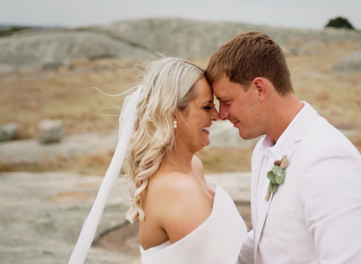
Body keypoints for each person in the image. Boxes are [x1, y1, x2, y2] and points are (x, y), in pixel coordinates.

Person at [205, 31, 361, 264]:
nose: (222, 114)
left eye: (227, 101)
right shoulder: (262, 151)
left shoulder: (330, 160)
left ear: (259, 89)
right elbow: (271, 238)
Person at [68, 57, 247, 264]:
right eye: (207, 107)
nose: (216, 115)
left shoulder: (193, 168)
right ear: (173, 113)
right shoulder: (178, 191)